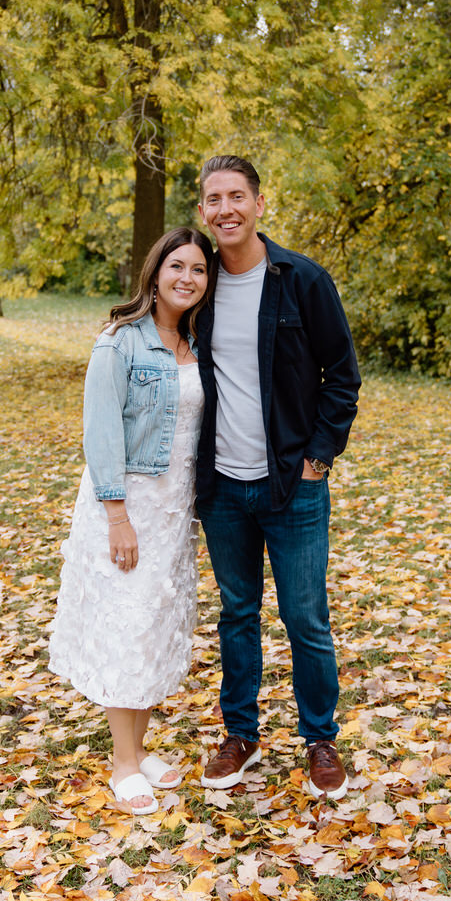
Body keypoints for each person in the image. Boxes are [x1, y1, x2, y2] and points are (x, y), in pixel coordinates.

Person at [194, 155, 361, 800]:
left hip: (293, 484)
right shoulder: (197, 282)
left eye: (237, 196)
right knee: (237, 613)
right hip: (222, 487)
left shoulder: (302, 281)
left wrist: (319, 457)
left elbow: (341, 376)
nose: (226, 209)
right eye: (214, 199)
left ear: (259, 204)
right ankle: (240, 734)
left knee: (305, 618)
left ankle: (320, 738)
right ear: (202, 210)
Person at [48, 227, 214, 815]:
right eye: (177, 266)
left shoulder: (196, 342)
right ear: (155, 272)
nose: (187, 278)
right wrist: (117, 516)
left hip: (174, 511)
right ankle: (122, 763)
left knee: (152, 627)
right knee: (126, 626)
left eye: (198, 269)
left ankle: (138, 750)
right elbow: (100, 432)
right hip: (127, 506)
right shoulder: (119, 342)